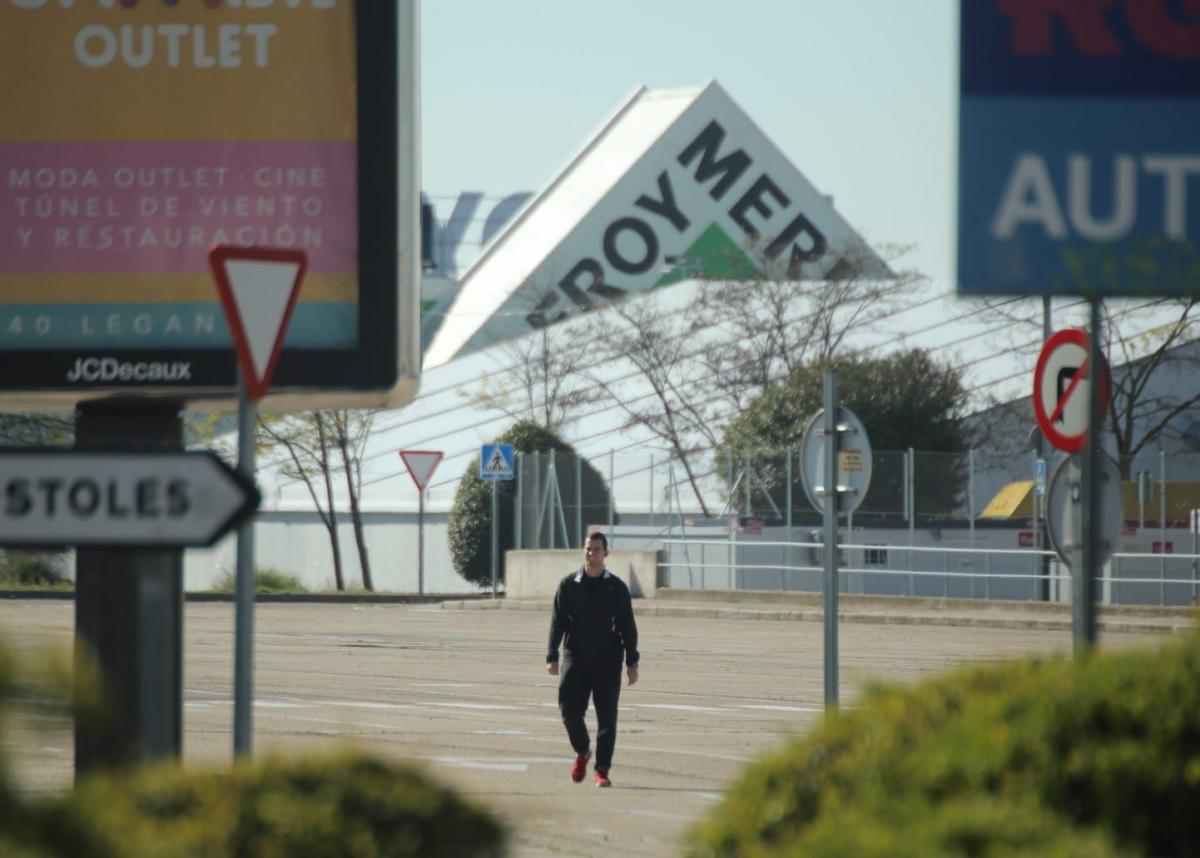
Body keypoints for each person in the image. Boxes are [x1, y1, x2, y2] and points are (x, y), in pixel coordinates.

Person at [546, 531, 639, 788]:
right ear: (583, 550)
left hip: (608, 661)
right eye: (588, 548)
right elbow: (558, 623)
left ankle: (602, 770)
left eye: (597, 549)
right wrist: (552, 655)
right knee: (568, 710)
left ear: (605, 553)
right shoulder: (568, 585)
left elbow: (627, 627)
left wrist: (632, 662)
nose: (592, 553)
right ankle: (583, 750)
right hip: (575, 658)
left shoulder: (616, 588)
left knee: (607, 718)